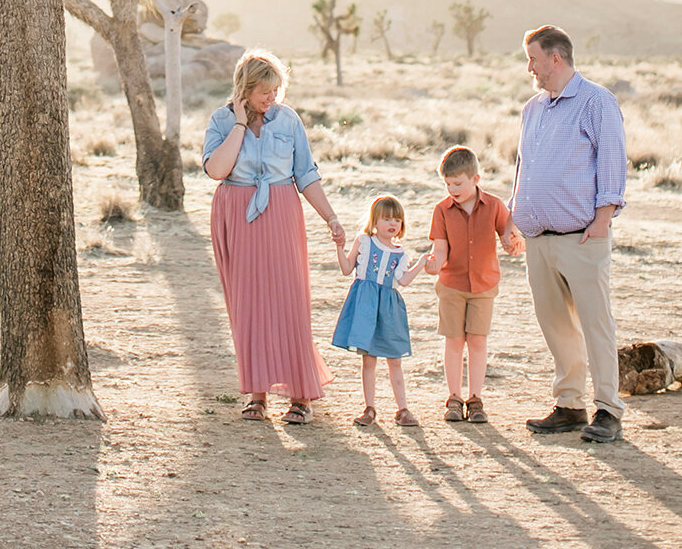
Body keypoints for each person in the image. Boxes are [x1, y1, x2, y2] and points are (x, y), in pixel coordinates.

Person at [204, 49, 344, 424]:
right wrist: (238, 125)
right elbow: (217, 170)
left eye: (276, 90)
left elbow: (307, 175)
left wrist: (330, 217)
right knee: (247, 306)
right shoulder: (220, 120)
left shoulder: (289, 121)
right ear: (245, 89)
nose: (272, 98)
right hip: (236, 213)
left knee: (289, 301)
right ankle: (257, 395)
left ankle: (301, 396)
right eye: (264, 91)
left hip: (280, 211)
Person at [511, 24, 628, 443]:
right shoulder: (533, 109)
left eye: (534, 59)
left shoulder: (598, 102)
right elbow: (524, 169)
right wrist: (514, 216)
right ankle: (570, 404)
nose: (530, 68)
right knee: (555, 323)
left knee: (595, 322)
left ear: (555, 59)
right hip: (538, 240)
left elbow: (613, 164)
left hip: (582, 237)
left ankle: (609, 409)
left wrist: (601, 222)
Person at [426, 144, 524, 423]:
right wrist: (434, 264)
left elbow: (512, 238)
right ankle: (454, 398)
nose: (452, 189)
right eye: (447, 184)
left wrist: (513, 243)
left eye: (457, 183)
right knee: (454, 341)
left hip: (483, 286)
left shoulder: (494, 206)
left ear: (475, 179)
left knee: (478, 341)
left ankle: (476, 398)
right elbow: (440, 249)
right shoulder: (441, 210)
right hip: (452, 285)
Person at [332, 194, 430, 427]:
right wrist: (340, 248)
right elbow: (347, 269)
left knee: (394, 359)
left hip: (389, 308)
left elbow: (403, 281)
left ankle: (403, 409)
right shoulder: (364, 242)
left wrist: (422, 262)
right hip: (365, 306)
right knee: (369, 359)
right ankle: (369, 408)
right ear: (375, 221)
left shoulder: (401, 253)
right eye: (387, 219)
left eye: (397, 219)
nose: (393, 224)